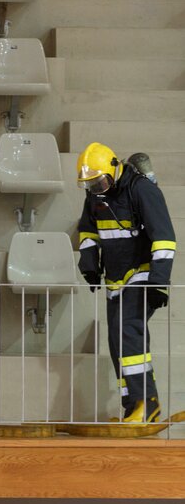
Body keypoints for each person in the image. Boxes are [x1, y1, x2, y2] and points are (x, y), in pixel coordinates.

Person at [76, 142, 176, 423]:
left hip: (141, 274)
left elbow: (165, 238)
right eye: (91, 185)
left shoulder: (142, 189)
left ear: (114, 168)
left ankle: (147, 402)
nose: (96, 189)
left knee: (128, 332)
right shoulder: (94, 196)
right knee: (117, 341)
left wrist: (158, 281)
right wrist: (89, 266)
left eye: (99, 182)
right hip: (114, 279)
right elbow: (87, 232)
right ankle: (133, 407)